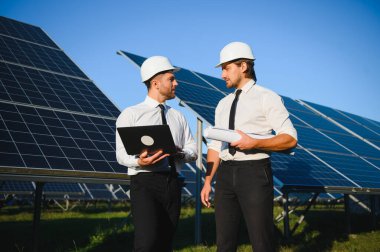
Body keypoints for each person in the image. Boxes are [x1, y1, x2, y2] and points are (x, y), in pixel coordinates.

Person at [201, 42, 298, 252]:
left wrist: (254, 142)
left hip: (254, 173)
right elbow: (216, 146)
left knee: (262, 242)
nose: (223, 74)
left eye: (226, 68)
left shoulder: (267, 97)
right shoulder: (222, 104)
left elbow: (290, 139)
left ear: (243, 66)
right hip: (225, 176)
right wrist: (208, 180)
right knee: (224, 243)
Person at [116, 56, 197, 251]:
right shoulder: (131, 114)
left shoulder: (178, 116)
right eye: (171, 79)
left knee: (165, 242)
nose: (176, 83)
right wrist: (139, 161)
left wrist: (182, 153)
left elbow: (193, 150)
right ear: (155, 82)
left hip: (172, 182)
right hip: (145, 182)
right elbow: (120, 155)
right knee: (147, 242)